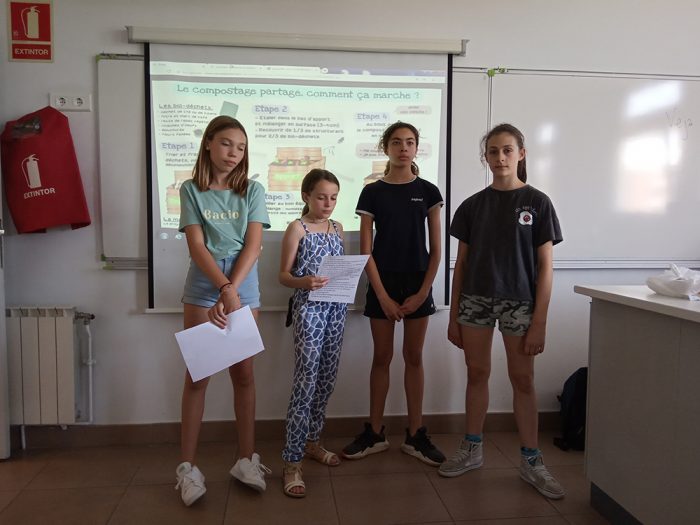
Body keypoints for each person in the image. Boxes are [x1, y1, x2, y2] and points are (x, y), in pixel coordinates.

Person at [439, 123, 565, 499]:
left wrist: (539, 322)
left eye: (507, 150)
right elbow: (461, 265)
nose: (500, 158)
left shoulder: (538, 203)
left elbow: (546, 268)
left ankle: (531, 460)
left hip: (520, 302)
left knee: (522, 379)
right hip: (475, 300)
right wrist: (453, 316)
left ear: (521, 154)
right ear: (486, 157)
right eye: (493, 151)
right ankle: (472, 447)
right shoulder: (472, 206)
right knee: (477, 373)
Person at [174, 116, 271, 506]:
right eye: (228, 143)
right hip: (203, 289)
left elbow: (253, 245)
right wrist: (223, 289)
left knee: (243, 375)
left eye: (241, 147)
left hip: (244, 288)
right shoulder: (190, 189)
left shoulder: (253, 190)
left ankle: (246, 460)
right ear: (209, 143)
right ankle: (187, 469)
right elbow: (197, 247)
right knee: (198, 378)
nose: (234, 153)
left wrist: (233, 291)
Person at [342, 121, 445, 466]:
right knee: (381, 358)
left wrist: (423, 292)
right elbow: (366, 250)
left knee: (414, 357)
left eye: (410, 142)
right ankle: (375, 433)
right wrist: (383, 296)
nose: (404, 148)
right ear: (385, 147)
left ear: (416, 148)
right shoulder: (372, 192)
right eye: (397, 142)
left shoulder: (428, 191)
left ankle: (415, 435)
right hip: (381, 281)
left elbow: (437, 251)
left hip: (418, 281)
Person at [278, 169, 348, 498]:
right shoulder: (297, 228)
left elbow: (340, 268)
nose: (328, 203)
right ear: (306, 196)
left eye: (333, 198)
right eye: (321, 197)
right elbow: (283, 275)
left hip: (336, 310)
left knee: (327, 378)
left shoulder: (338, 227)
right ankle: (291, 461)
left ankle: (312, 442)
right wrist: (303, 282)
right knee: (306, 380)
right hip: (309, 309)